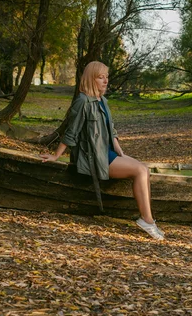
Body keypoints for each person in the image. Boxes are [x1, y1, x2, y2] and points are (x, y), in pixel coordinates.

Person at [40, 61, 164, 240]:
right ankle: (147, 220)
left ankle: (149, 219)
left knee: (143, 168)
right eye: (100, 77)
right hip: (94, 156)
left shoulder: (103, 100)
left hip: (108, 152)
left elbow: (111, 129)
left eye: (107, 77)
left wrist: (121, 152)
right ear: (91, 79)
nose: (105, 81)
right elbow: (71, 132)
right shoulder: (82, 101)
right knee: (140, 170)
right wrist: (56, 156)